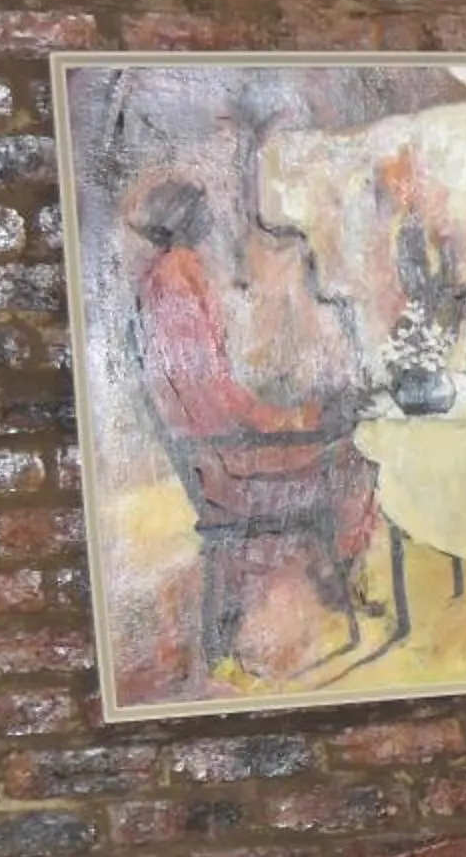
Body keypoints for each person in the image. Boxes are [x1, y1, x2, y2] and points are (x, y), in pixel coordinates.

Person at [126, 176, 374, 677]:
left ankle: (331, 572)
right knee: (359, 450)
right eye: (202, 211)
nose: (212, 219)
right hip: (230, 468)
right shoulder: (177, 277)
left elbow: (211, 389)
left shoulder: (163, 275)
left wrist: (284, 411)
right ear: (187, 221)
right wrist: (284, 419)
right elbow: (212, 397)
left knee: (331, 420)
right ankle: (335, 575)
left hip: (215, 455)